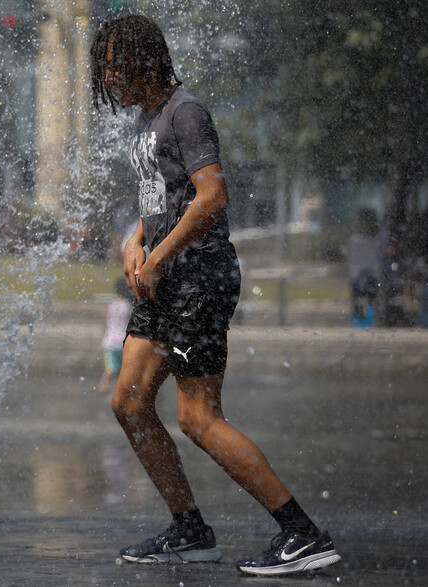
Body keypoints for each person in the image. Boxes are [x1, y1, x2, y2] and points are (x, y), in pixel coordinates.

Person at [90, 14, 340, 576]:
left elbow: (211, 196)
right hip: (164, 282)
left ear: (145, 61)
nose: (108, 78)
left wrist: (158, 256)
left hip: (197, 281)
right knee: (129, 402)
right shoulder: (148, 118)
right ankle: (189, 530)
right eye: (103, 68)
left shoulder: (186, 112)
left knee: (198, 418)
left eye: (115, 66)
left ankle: (302, 534)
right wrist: (135, 240)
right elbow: (162, 196)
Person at [346, 208, 380, 327]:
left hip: (363, 274)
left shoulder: (357, 241)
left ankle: (363, 318)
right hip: (363, 274)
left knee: (364, 297)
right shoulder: (355, 241)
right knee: (363, 297)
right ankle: (363, 317)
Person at [98, 277, 133, 393]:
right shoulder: (128, 306)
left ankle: (104, 384)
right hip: (124, 342)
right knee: (125, 368)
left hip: (110, 342)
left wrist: (105, 335)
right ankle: (124, 389)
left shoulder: (110, 306)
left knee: (110, 368)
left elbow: (105, 323)